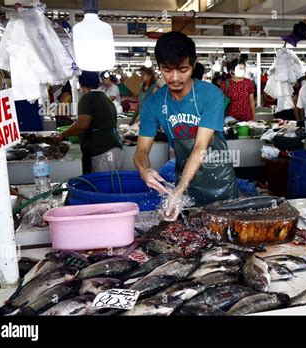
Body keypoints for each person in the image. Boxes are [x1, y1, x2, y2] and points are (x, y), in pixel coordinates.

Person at [134, 31, 238, 221]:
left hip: (220, 180)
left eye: (183, 70)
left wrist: (179, 190)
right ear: (158, 67)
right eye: (167, 70)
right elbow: (141, 150)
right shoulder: (153, 104)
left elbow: (200, 147)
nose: (175, 78)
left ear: (193, 64)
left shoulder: (211, 95)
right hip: (186, 180)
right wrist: (144, 170)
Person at [55, 71, 123, 174]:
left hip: (103, 151)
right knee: (111, 186)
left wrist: (62, 135)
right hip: (114, 148)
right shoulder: (105, 98)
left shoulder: (87, 98)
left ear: (82, 84)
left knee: (102, 186)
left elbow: (82, 125)